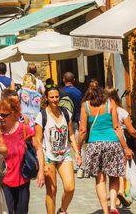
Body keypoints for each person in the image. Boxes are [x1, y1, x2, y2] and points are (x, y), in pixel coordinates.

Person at [78, 82, 131, 214]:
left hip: (94, 144)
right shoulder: (110, 103)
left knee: (100, 178)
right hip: (112, 143)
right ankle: (113, 205)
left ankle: (105, 211)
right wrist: (125, 147)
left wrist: (78, 148)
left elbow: (83, 130)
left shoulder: (85, 106)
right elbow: (117, 127)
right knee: (114, 176)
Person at [36, 85, 80, 214]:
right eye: (52, 97)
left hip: (64, 154)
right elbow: (37, 141)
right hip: (48, 156)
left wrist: (77, 152)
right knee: (52, 191)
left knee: (70, 187)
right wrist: (41, 163)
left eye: (56, 97)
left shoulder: (66, 113)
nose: (55, 99)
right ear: (47, 98)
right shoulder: (42, 116)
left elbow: (71, 134)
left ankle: (62, 210)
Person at [0, 97, 42, 214]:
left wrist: (41, 171)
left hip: (23, 179)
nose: (0, 117)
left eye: (4, 115)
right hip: (3, 181)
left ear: (13, 114)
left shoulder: (24, 129)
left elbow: (38, 148)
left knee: (22, 211)